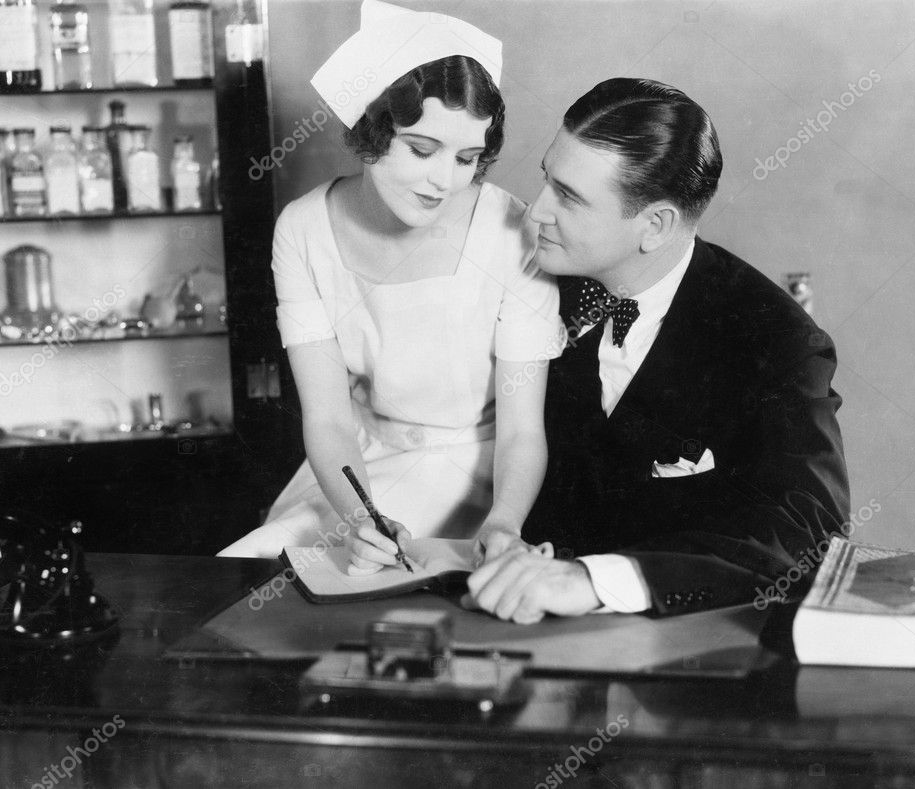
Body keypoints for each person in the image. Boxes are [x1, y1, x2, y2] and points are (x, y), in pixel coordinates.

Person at [464, 78, 850, 624]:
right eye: (546, 180)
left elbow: (808, 527)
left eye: (569, 198)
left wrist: (595, 581)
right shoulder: (523, 278)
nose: (535, 213)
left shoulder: (776, 338)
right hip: (501, 615)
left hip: (679, 641)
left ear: (656, 225)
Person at [219, 1, 561, 564]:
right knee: (254, 565)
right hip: (356, 471)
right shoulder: (303, 229)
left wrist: (503, 524)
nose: (443, 180)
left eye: (467, 159)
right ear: (372, 129)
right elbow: (328, 418)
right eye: (422, 150)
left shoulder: (511, 232)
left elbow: (523, 431)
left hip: (484, 479)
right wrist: (360, 519)